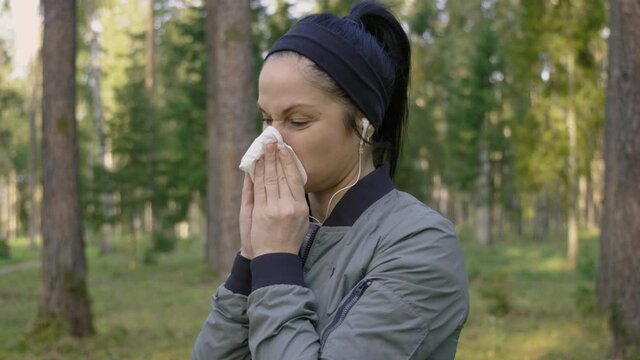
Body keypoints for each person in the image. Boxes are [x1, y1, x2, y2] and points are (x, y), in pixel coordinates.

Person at [191, 2, 469, 359]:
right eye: (266, 119)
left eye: (298, 121)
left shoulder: (420, 245)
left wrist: (276, 262)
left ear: (364, 123)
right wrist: (250, 259)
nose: (268, 143)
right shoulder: (294, 232)